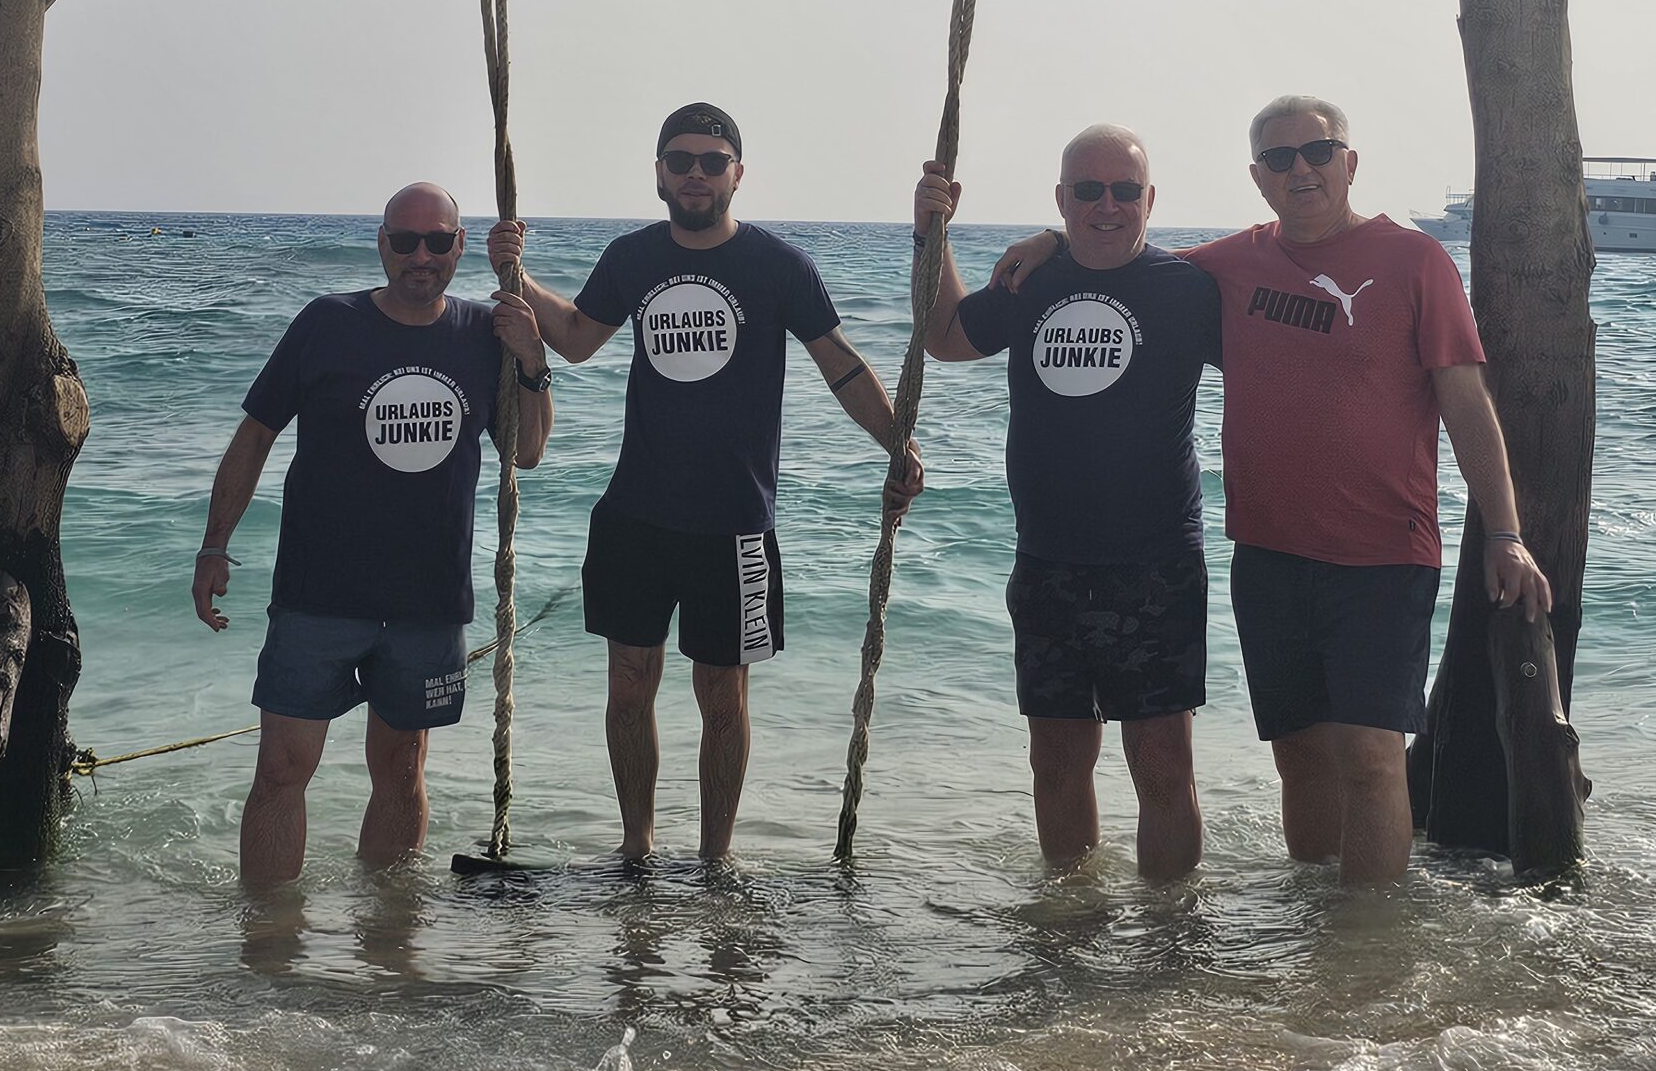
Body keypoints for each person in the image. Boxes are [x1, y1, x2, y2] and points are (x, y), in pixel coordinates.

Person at [992, 97, 1552, 886]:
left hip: (1382, 553)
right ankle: (1315, 927)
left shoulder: (1416, 260)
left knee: (1371, 758)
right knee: (1299, 757)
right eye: (1280, 158)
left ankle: (1366, 942)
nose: (1301, 170)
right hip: (1268, 555)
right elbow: (1121, 249)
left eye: (1317, 152)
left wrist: (1505, 533)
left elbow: (1465, 401)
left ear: (1348, 163)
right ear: (1258, 177)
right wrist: (1053, 240)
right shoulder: (1229, 265)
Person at [489, 102, 922, 864]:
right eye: (681, 161)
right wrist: (517, 276)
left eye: (712, 162)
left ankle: (715, 860)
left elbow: (842, 366)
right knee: (629, 687)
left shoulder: (779, 266)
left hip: (736, 524)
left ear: (737, 175)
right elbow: (579, 338)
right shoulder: (632, 257)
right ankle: (636, 848)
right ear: (658, 174)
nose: (696, 174)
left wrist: (897, 441)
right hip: (635, 516)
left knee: (724, 698)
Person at [193, 182, 553, 887]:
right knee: (281, 769)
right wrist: (214, 546)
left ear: (459, 245)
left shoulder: (485, 333)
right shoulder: (328, 323)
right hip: (318, 594)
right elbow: (255, 435)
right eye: (406, 240)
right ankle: (267, 936)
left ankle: (387, 936)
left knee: (401, 769)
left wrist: (534, 359)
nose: (422, 256)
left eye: (438, 241)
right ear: (382, 244)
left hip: (427, 601)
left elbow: (529, 451)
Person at [913, 126, 1220, 879]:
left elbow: (1284, 346)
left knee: (1162, 766)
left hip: (1156, 565)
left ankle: (1170, 932)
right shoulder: (1030, 283)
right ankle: (1069, 923)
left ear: (1150, 199)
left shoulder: (1188, 290)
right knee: (1055, 762)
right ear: (1062, 197)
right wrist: (931, 231)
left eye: (1124, 191)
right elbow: (944, 336)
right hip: (1047, 564)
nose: (1107, 206)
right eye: (1088, 191)